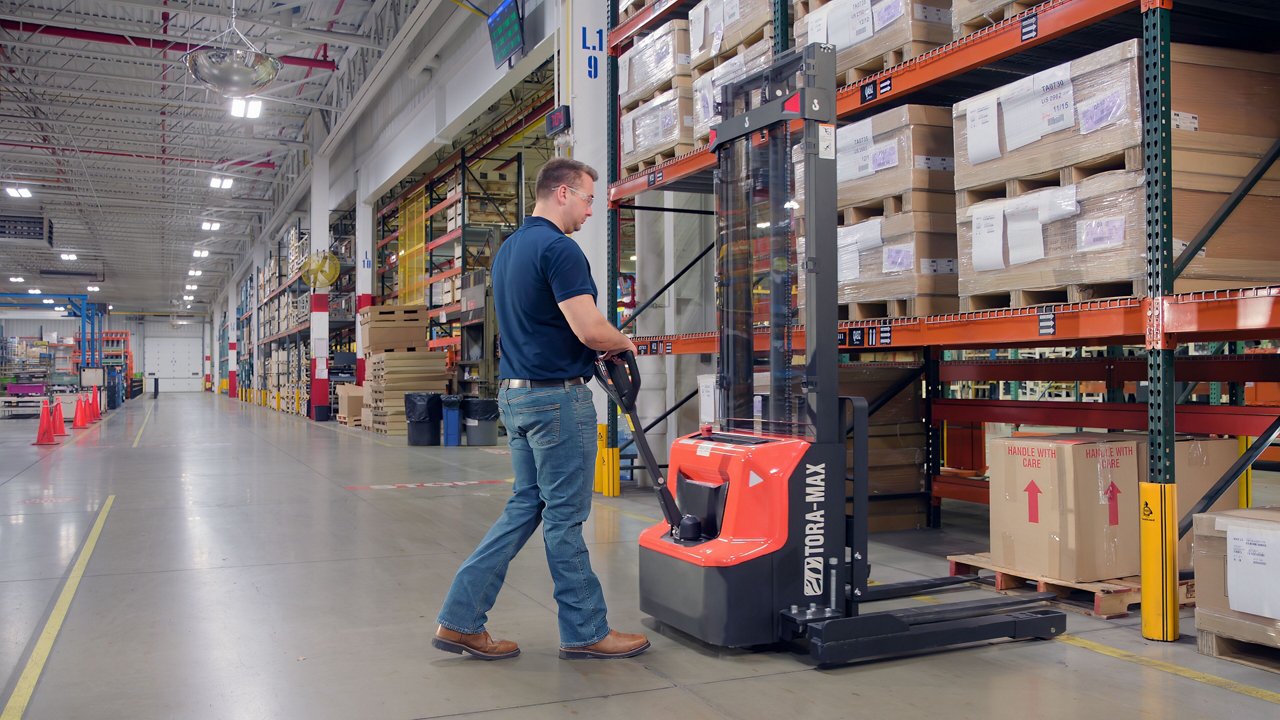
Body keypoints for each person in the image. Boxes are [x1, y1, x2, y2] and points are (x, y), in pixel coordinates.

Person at [433, 158, 649, 661]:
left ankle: (459, 619)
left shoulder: (509, 251)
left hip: (516, 395)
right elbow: (591, 330)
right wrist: (626, 343)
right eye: (589, 199)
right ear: (562, 193)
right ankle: (587, 631)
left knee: (526, 506)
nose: (592, 211)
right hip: (557, 398)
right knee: (565, 518)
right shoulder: (560, 249)